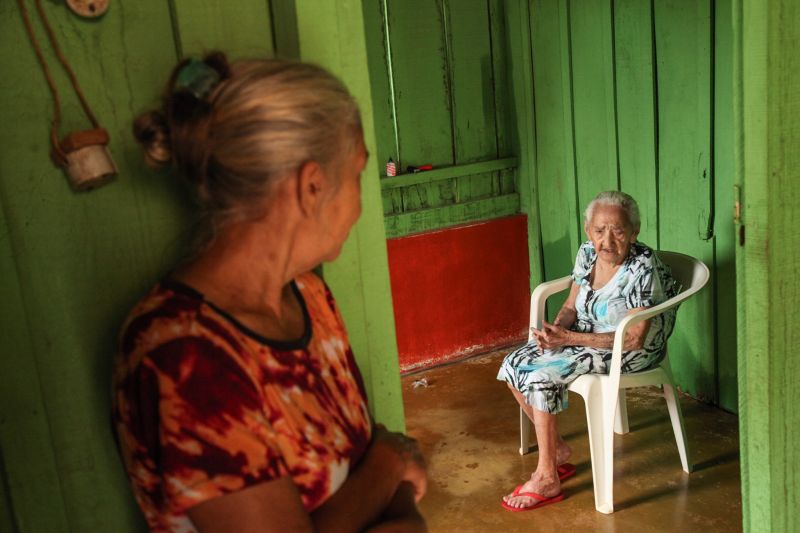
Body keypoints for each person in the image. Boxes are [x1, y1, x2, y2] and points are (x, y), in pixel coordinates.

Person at [112, 52, 427, 532]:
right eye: (358, 173)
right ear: (312, 187)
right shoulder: (183, 355)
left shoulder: (309, 298)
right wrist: (388, 466)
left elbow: (383, 489)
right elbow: (387, 474)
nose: (360, 203)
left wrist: (390, 488)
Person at [496, 191, 679, 512]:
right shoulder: (586, 254)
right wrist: (555, 332)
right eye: (599, 231)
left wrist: (567, 339)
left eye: (619, 231)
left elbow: (636, 337)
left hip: (632, 350)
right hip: (585, 338)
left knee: (542, 375)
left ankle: (546, 477)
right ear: (588, 231)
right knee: (515, 363)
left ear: (634, 232)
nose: (607, 240)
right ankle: (558, 451)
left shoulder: (642, 267)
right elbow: (570, 305)